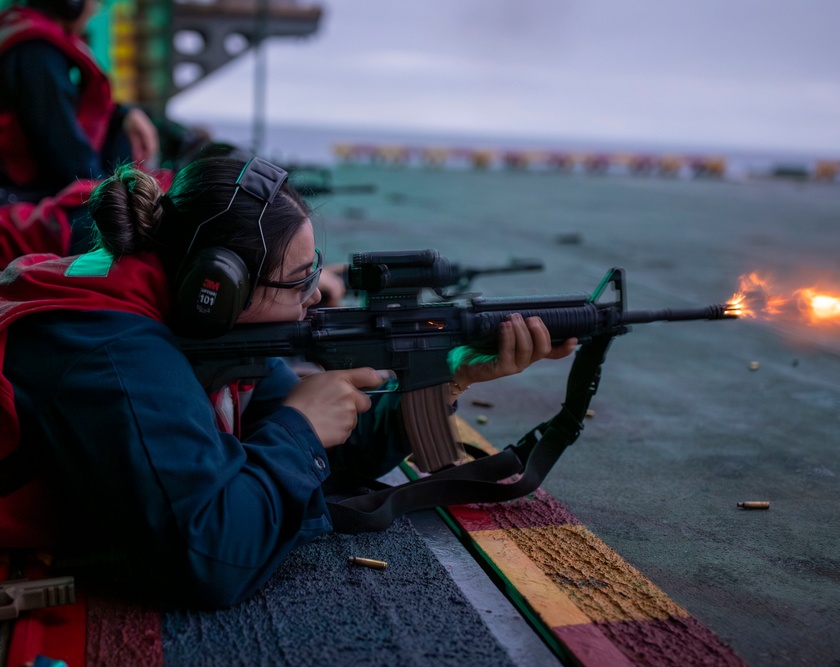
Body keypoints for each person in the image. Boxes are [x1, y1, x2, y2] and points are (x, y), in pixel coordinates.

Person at [0, 155, 575, 608]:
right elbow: (212, 560)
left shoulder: (189, 314)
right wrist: (300, 430)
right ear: (217, 285)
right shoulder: (118, 354)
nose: (314, 296)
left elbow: (339, 455)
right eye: (297, 280)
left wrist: (450, 379)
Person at [0, 0, 160, 204]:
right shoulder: (37, 53)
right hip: (25, 198)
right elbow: (71, 162)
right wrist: (121, 203)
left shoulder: (19, 25)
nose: (96, 9)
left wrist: (125, 114)